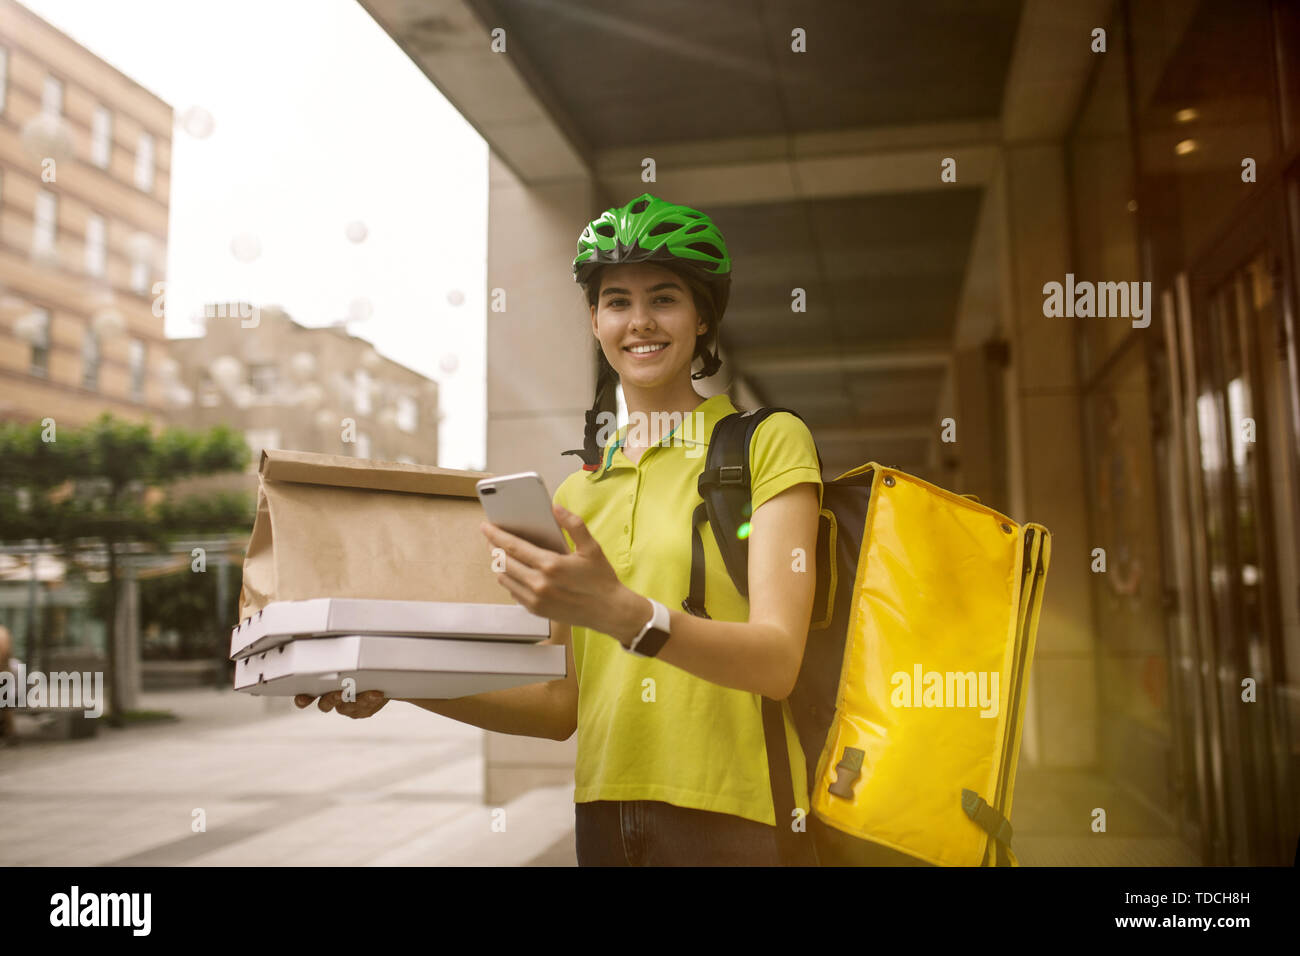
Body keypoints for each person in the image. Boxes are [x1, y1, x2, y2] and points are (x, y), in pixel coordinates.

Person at [296, 193, 824, 866]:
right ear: (595, 321)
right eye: (617, 302)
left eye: (664, 299)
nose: (640, 322)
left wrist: (626, 613)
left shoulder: (766, 443)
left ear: (701, 318)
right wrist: (395, 680)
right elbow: (557, 704)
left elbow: (778, 662)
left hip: (741, 818)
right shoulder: (578, 492)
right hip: (605, 818)